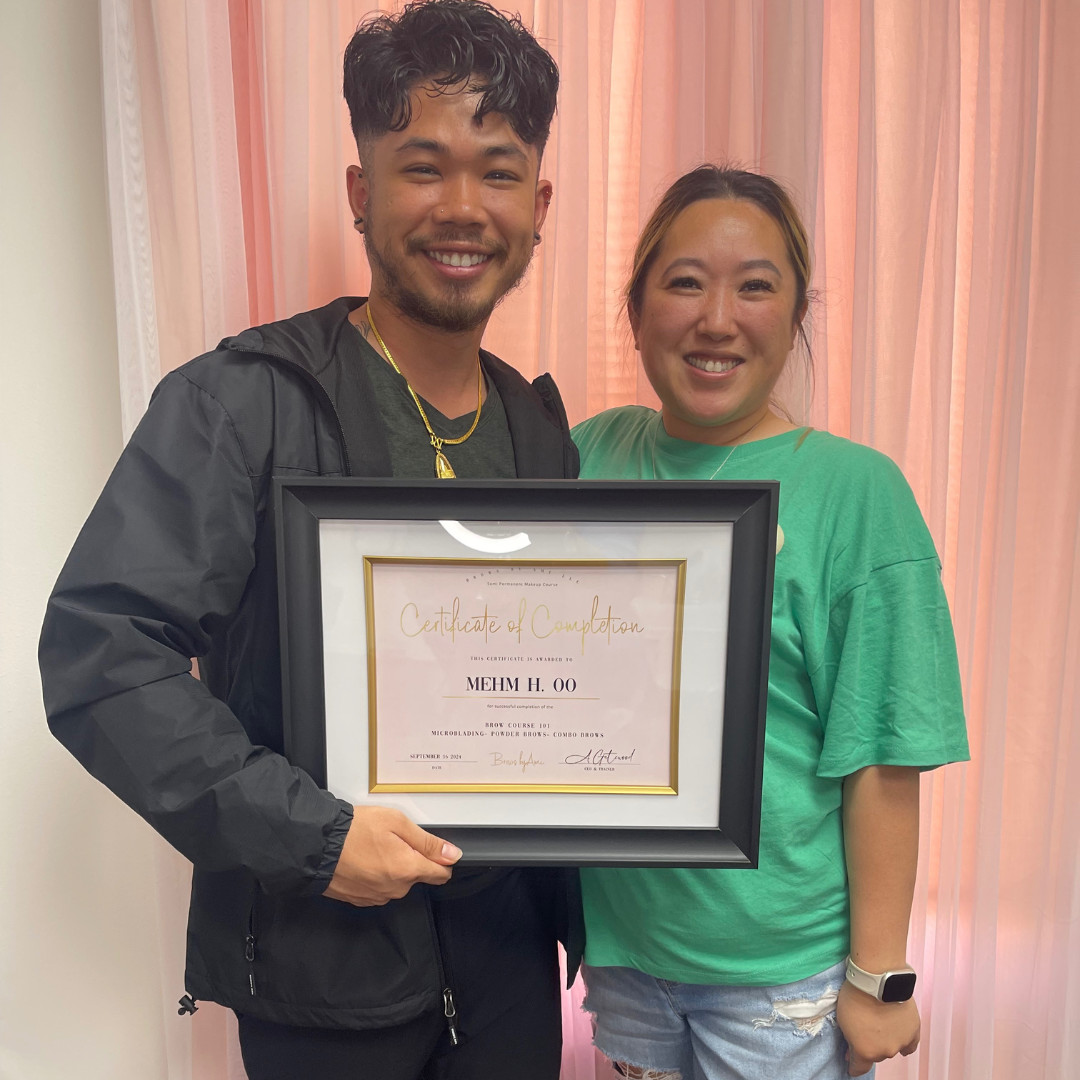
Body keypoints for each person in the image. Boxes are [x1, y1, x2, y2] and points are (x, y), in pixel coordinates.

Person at [38, 3, 581, 1077]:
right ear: (361, 192)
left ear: (541, 203)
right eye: (423, 166)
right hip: (322, 979)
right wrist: (317, 840)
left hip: (510, 970)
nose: (463, 208)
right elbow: (104, 658)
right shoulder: (239, 403)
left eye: (500, 171)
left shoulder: (537, 428)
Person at [571, 166, 969, 1080]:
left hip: (781, 984)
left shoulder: (856, 492)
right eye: (684, 282)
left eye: (755, 285)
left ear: (796, 316)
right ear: (636, 310)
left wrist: (879, 977)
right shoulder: (588, 454)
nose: (718, 318)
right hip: (629, 959)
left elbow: (882, 750)